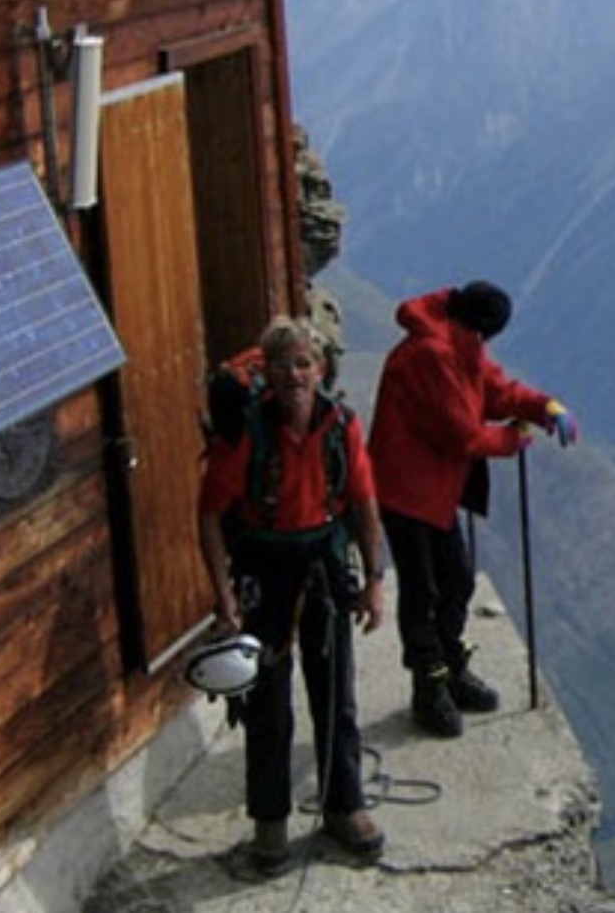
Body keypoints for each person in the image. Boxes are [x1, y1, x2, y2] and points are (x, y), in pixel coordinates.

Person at [197, 316, 389, 876]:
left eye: (303, 363)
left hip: (324, 567)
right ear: (269, 373)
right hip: (266, 569)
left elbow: (363, 501)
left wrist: (374, 579)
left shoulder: (341, 426)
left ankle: (344, 806)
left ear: (320, 368)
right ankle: (271, 826)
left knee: (336, 695)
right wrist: (224, 596)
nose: (294, 375)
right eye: (283, 365)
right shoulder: (246, 433)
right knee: (267, 705)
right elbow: (209, 513)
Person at [367, 280, 579, 737]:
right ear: (480, 328)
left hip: (434, 490)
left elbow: (495, 389)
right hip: (406, 491)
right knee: (423, 590)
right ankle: (430, 687)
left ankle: (448, 667)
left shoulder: (458, 342)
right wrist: (514, 438)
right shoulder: (432, 355)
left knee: (457, 579)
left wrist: (545, 407)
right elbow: (461, 433)